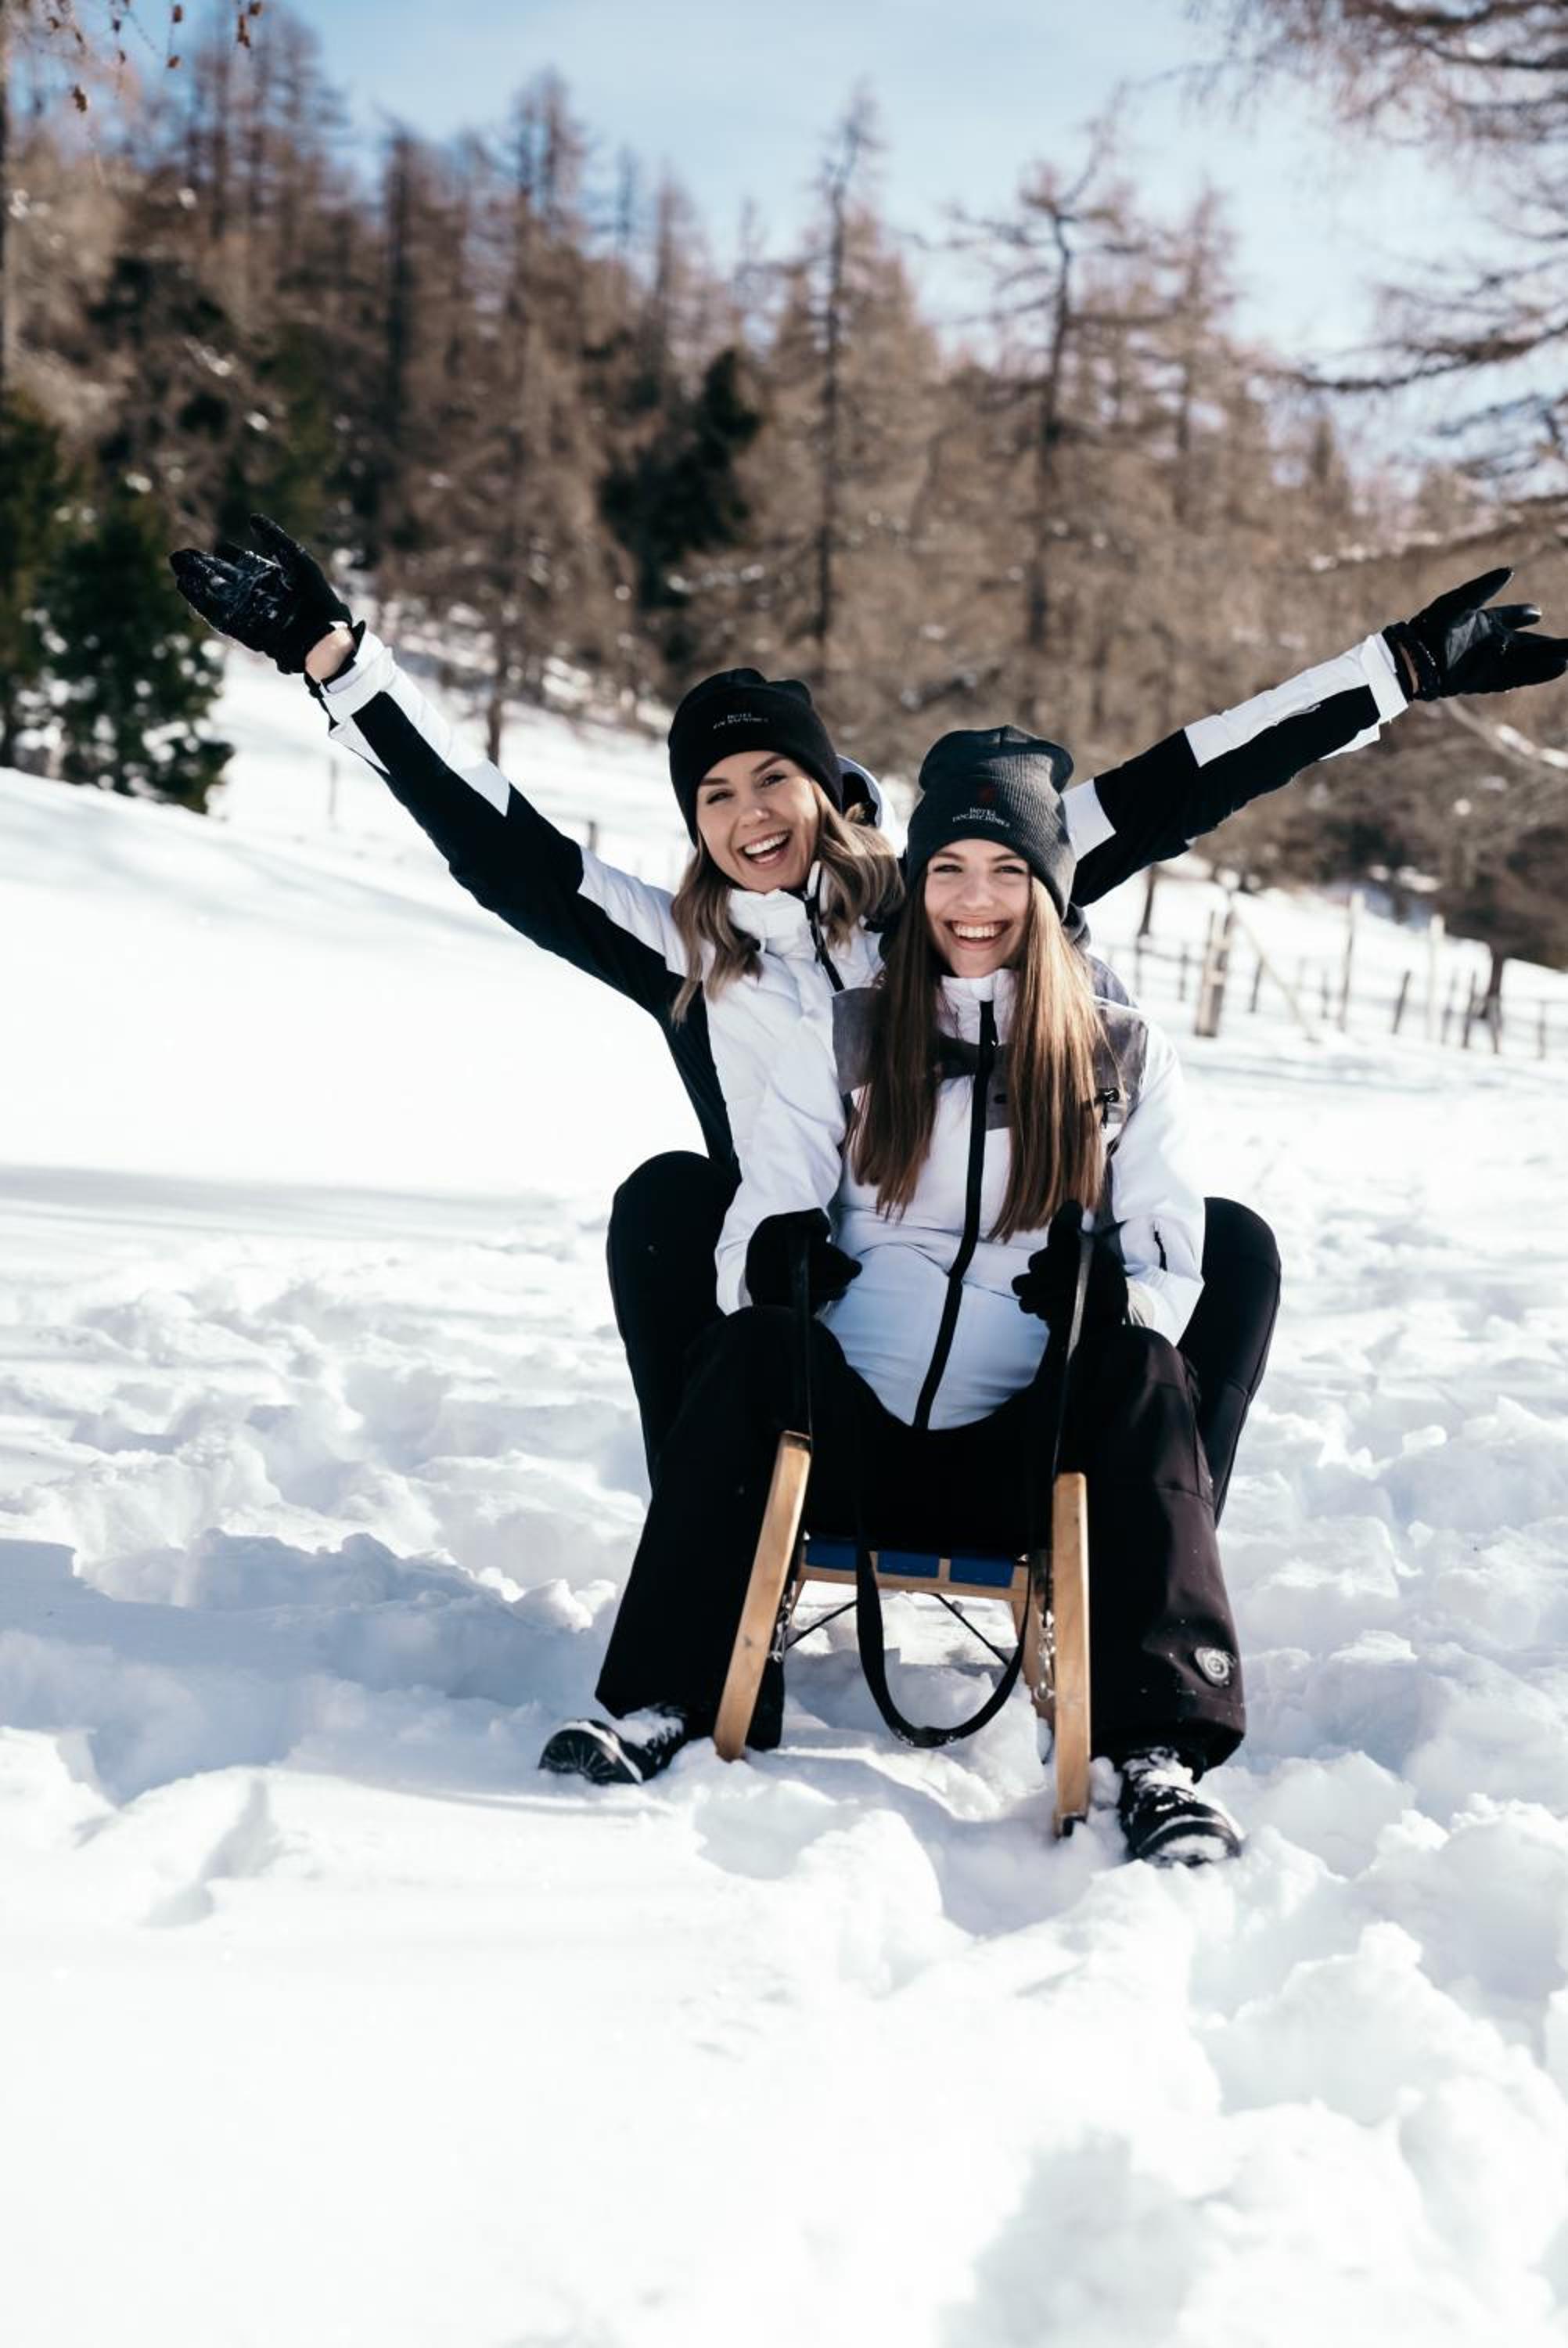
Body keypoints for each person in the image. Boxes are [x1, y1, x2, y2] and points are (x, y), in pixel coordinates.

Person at [168, 526, 1564, 1515]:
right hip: (795, 1347)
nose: (746, 815)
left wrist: (1394, 670)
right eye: (714, 797)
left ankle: (1142, 1562)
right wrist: (337, 660)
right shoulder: (689, 952)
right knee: (667, 1200)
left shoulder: (953, 891)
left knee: (1232, 1248)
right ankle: (720, 1550)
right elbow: (502, 849)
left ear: (828, 789)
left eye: (771, 779)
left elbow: (1181, 781)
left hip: (995, 1327)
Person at [541, 725, 1248, 1865]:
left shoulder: (1122, 1055)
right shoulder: (849, 1029)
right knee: (749, 1348)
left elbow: (1174, 1261)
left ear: (1049, 889)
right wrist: (778, 1259)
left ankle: (1152, 1754)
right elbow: (759, 1210)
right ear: (916, 885)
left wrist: (1107, 1299)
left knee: (1145, 1368)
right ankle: (667, 1696)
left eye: (1008, 870)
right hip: (848, 1443)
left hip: (1028, 1450)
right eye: (949, 868)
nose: (976, 899)